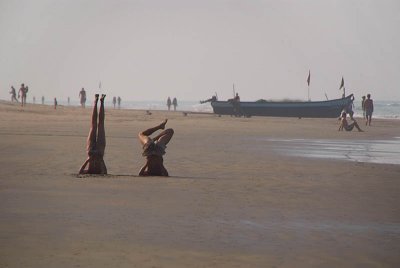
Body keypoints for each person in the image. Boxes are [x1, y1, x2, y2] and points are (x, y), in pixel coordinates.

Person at [79, 94, 108, 174]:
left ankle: (96, 102)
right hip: (99, 153)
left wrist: (88, 160)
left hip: (91, 152)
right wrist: (101, 160)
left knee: (93, 125)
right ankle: (101, 102)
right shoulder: (99, 171)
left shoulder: (89, 171)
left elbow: (80, 171)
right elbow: (105, 172)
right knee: (100, 125)